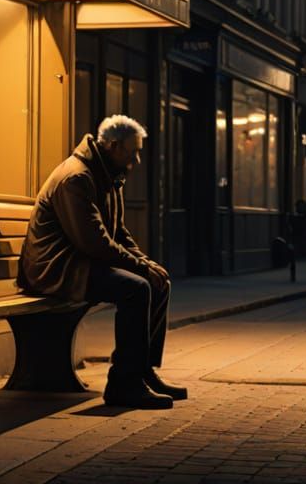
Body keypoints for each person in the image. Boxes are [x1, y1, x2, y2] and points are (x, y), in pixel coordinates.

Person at [18, 115, 186, 410]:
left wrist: (145, 263)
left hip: (78, 263)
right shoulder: (77, 178)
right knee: (136, 288)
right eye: (133, 152)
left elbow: (118, 232)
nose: (136, 160)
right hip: (56, 268)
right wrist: (140, 268)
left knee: (158, 282)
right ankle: (124, 384)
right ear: (113, 146)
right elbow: (93, 242)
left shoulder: (107, 175)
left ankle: (142, 371)